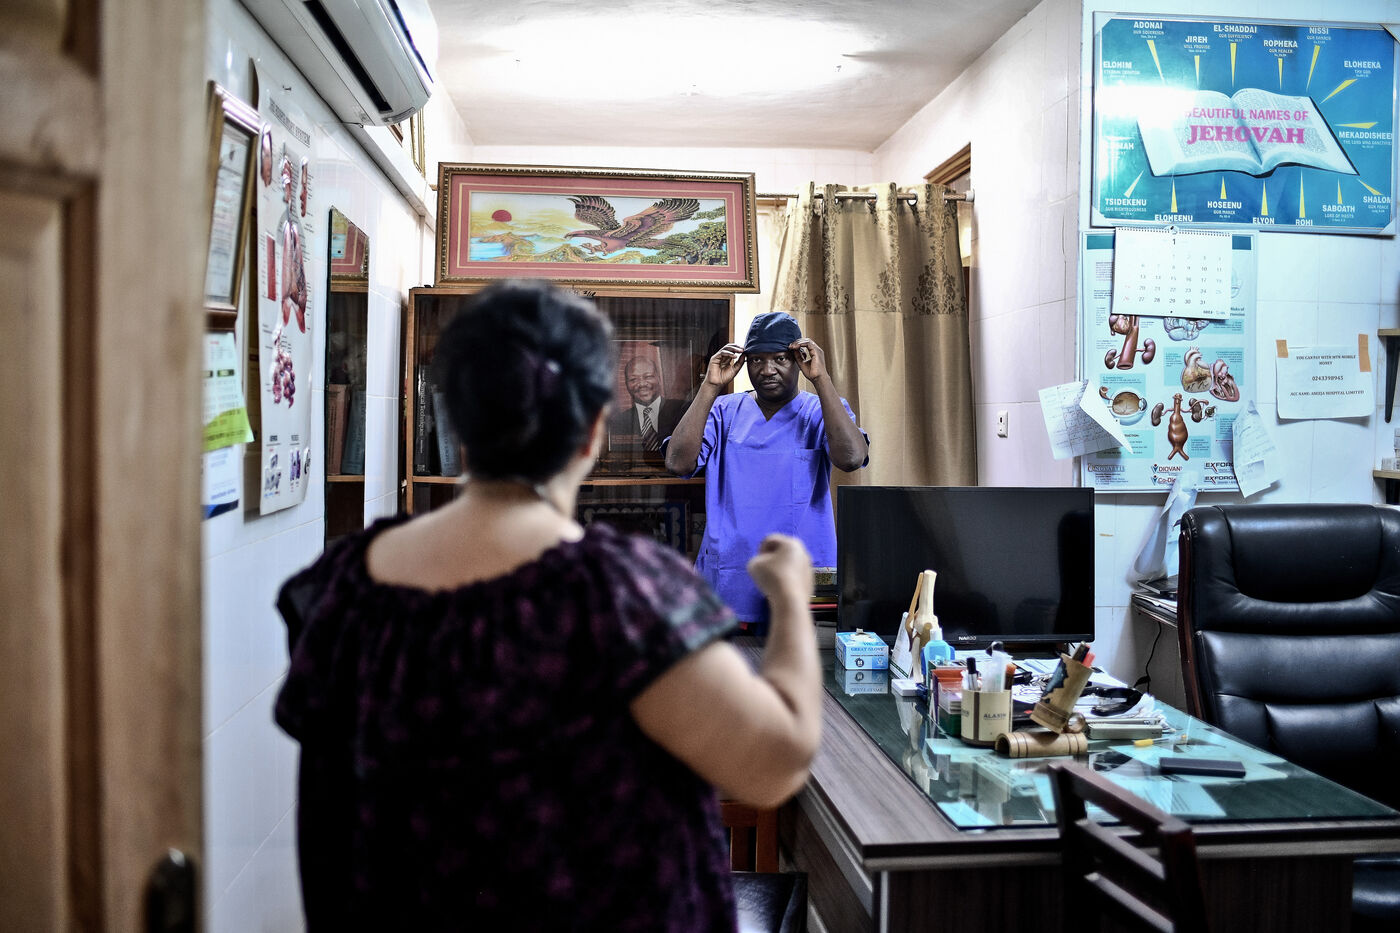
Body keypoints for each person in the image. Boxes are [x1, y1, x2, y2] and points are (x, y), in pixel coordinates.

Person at [274, 280, 821, 931]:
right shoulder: (618, 594)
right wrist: (791, 596)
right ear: (592, 430)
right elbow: (773, 763)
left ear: (458, 423)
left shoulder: (342, 588)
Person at [665, 311, 869, 629]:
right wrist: (710, 386)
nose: (767, 369)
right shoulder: (723, 411)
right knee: (732, 660)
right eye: (757, 360)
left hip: (799, 576)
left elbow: (852, 458)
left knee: (800, 657)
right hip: (731, 575)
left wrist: (821, 379)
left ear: (799, 361)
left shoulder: (820, 411)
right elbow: (678, 463)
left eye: (779, 359)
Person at [606, 354, 687, 451]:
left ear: (659, 378)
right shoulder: (618, 423)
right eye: (633, 379)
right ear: (626, 384)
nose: (642, 384)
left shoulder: (681, 411)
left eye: (648, 377)